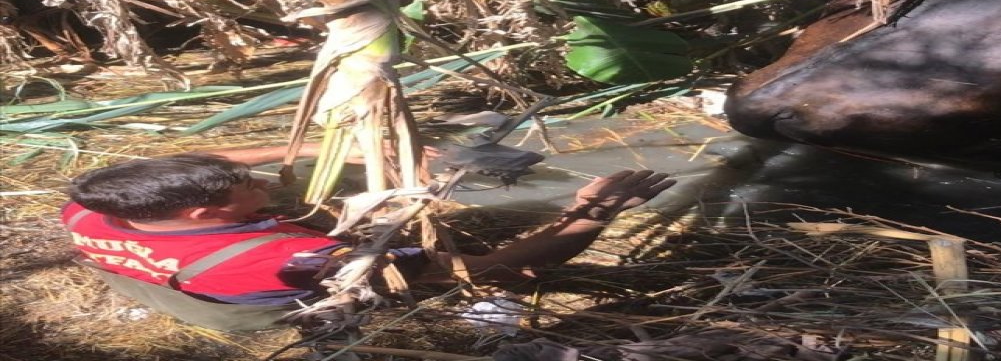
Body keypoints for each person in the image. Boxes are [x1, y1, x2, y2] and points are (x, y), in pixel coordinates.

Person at [61, 145, 675, 329]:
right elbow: (486, 269)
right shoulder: (292, 260)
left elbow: (206, 158)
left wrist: (336, 144)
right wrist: (592, 214)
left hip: (175, 269)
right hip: (249, 297)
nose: (265, 180)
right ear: (201, 213)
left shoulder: (94, 206)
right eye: (247, 185)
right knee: (504, 280)